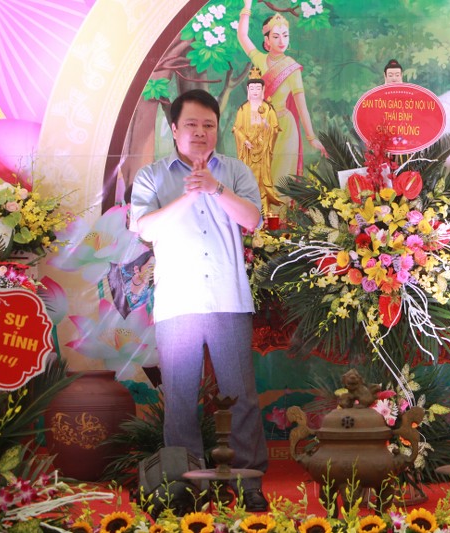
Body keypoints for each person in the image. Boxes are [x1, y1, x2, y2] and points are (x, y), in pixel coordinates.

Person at [130, 89, 269, 512]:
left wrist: (214, 188)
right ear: (174, 129)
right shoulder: (152, 176)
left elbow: (252, 219)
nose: (201, 132)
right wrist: (190, 194)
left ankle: (248, 482)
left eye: (209, 125)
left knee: (240, 396)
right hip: (178, 302)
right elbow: (145, 228)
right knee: (180, 399)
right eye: (191, 124)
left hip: (228, 298)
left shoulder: (235, 171)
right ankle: (186, 486)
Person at [236, 2, 327, 193]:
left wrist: (311, 138)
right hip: (260, 127)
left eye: (285, 36)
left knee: (280, 183)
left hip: (285, 128)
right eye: (276, 36)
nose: (281, 41)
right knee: (260, 181)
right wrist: (247, 6)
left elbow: (302, 107)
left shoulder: (291, 67)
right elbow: (242, 36)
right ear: (267, 40)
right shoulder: (260, 59)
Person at [232, 67, 281, 216]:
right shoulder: (243, 109)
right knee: (248, 179)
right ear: (248, 90)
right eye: (252, 88)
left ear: (263, 89)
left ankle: (264, 210)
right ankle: (249, 210)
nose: (255, 91)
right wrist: (245, 140)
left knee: (262, 180)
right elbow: (237, 129)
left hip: (263, 152)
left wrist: (266, 127)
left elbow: (275, 129)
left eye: (258, 88)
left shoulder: (268, 109)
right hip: (248, 152)